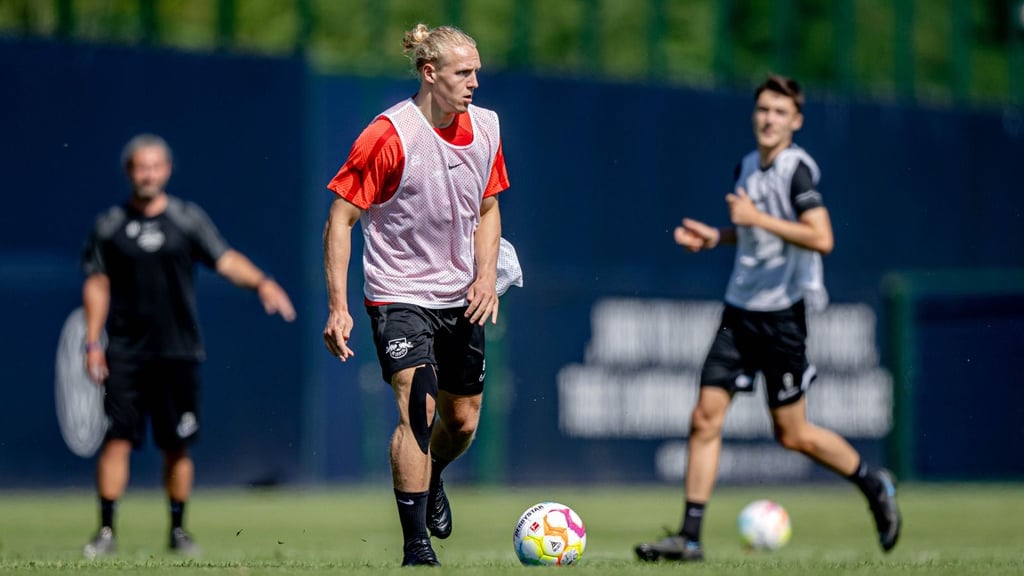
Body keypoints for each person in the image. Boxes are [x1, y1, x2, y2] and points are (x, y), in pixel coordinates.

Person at [635, 75, 901, 562]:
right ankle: (689, 537)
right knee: (704, 418)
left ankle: (872, 483)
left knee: (793, 434)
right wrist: (720, 236)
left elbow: (821, 237)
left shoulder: (797, 170)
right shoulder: (747, 168)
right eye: (763, 109)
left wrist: (755, 220)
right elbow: (756, 235)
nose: (769, 118)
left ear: (796, 122)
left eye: (780, 112)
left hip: (782, 318)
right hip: (740, 312)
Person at [322, 22, 511, 567]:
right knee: (419, 409)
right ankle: (416, 548)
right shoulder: (388, 135)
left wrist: (483, 275)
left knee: (465, 420)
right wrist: (338, 306)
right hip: (398, 292)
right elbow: (341, 218)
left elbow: (489, 209)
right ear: (430, 74)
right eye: (463, 73)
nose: (474, 83)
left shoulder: (487, 128)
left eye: (477, 72)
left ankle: (435, 476)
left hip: (460, 293)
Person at [80, 133, 296, 558]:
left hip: (178, 351)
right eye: (141, 167)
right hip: (125, 351)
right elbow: (97, 283)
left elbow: (225, 259)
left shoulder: (186, 219)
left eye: (155, 166)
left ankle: (178, 530)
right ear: (129, 172)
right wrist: (92, 342)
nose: (148, 174)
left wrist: (262, 283)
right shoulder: (109, 226)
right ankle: (105, 531)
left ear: (167, 170)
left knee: (177, 444)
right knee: (117, 440)